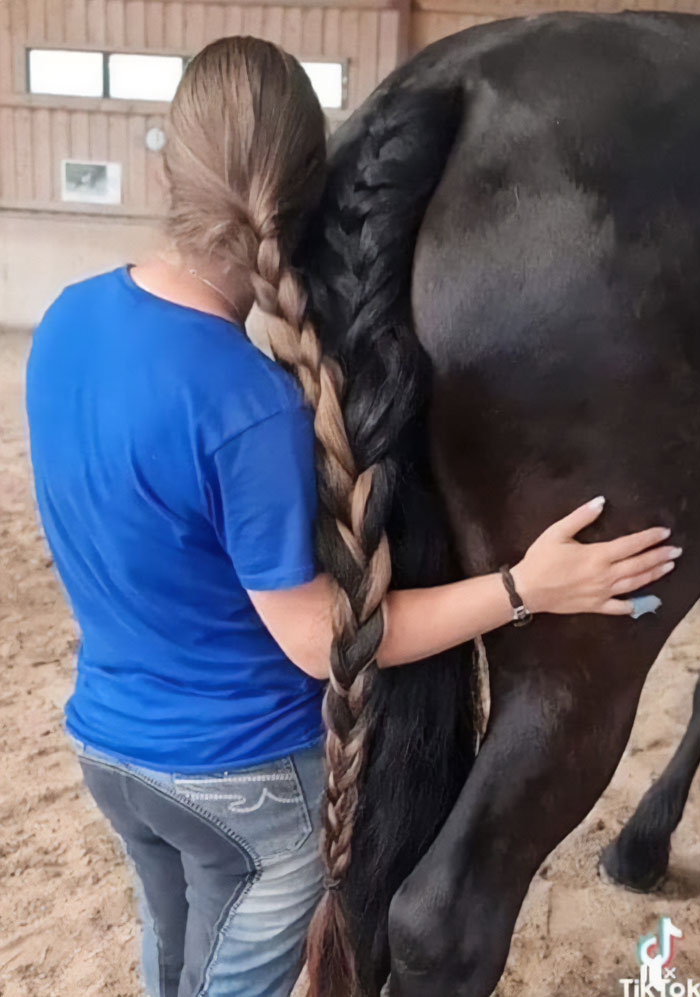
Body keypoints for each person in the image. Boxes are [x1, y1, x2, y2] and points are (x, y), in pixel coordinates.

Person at [25, 35, 681, 997]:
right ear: (308, 198)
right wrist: (522, 587)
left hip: (113, 751)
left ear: (169, 165)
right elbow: (320, 639)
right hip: (239, 777)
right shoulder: (246, 404)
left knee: (174, 954)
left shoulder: (69, 317)